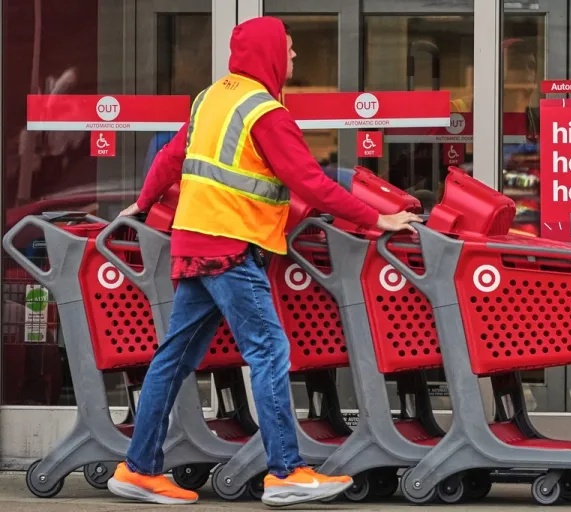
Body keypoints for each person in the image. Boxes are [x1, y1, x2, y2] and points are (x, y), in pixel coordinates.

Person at [106, 16, 421, 507]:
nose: (294, 58)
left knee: (173, 358)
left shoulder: (210, 98)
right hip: (229, 248)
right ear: (270, 53)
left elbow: (170, 157)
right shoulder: (264, 111)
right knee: (269, 351)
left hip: (194, 246)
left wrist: (142, 203)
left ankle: (138, 468)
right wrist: (377, 220)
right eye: (290, 50)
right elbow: (311, 182)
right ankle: (285, 471)